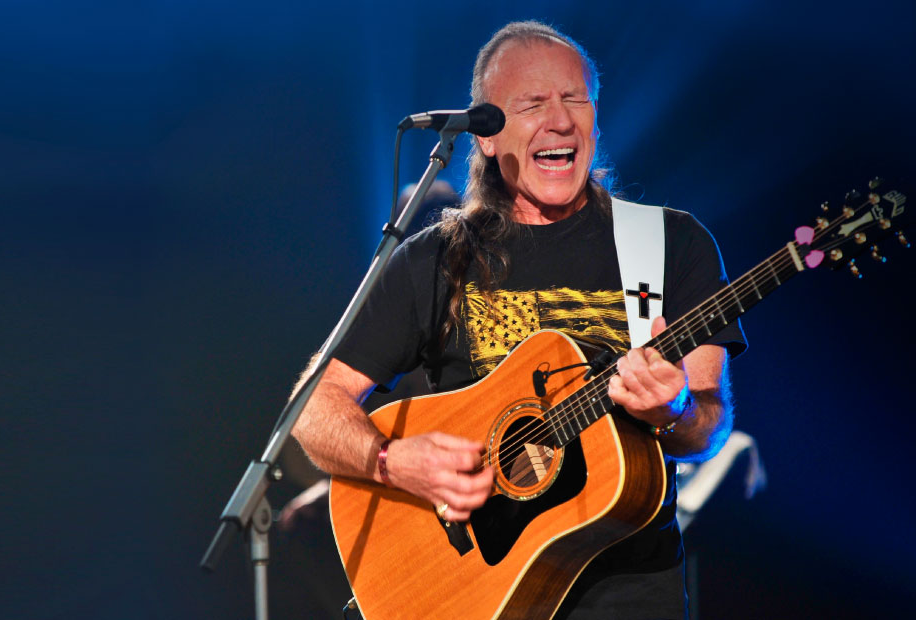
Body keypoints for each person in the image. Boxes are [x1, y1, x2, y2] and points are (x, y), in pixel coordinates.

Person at [289, 21, 744, 619]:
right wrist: (393, 462)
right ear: (485, 135)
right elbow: (313, 408)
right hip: (476, 595)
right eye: (532, 104)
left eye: (575, 99)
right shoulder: (437, 259)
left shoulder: (669, 244)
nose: (561, 121)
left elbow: (709, 427)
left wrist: (676, 410)